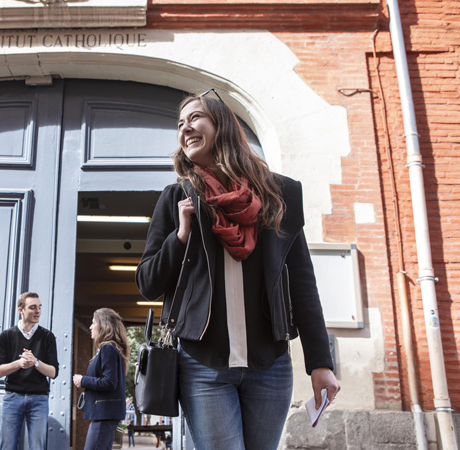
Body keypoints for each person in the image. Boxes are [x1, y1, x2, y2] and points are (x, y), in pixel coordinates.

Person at [135, 89, 341, 450]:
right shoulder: (177, 198)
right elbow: (148, 283)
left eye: (195, 118)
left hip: (270, 365)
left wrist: (319, 363)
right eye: (179, 124)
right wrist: (180, 237)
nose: (185, 128)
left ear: (223, 125)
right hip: (202, 364)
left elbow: (303, 286)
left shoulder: (280, 196)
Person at [0, 292, 59, 450]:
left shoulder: (47, 336)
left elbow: (53, 372)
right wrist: (19, 363)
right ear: (20, 310)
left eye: (39, 307)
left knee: (37, 446)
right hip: (12, 397)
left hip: (39, 400)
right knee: (7, 446)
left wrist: (35, 362)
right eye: (32, 307)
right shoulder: (6, 336)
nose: (38, 311)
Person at [73, 308, 129, 450]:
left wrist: (83, 380)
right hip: (104, 414)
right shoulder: (110, 349)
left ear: (103, 326)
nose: (90, 327)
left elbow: (109, 382)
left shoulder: (108, 349)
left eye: (93, 323)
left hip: (104, 414)